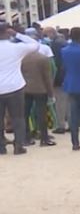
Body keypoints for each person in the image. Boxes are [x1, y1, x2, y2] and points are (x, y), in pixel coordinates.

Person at [0, 22, 41, 155]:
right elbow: (35, 45)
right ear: (7, 32)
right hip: (15, 87)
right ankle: (19, 145)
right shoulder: (16, 48)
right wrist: (18, 34)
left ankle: (1, 147)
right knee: (18, 117)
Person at [21, 45, 56, 147]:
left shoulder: (22, 59)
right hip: (40, 89)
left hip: (25, 88)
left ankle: (26, 137)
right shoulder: (43, 59)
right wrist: (51, 93)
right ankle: (44, 138)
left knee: (25, 114)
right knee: (41, 114)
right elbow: (47, 77)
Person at [49, 28, 69, 134]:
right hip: (68, 76)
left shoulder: (55, 44)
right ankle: (71, 123)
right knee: (68, 101)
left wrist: (54, 78)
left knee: (60, 102)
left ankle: (61, 125)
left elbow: (56, 63)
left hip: (60, 77)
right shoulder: (64, 42)